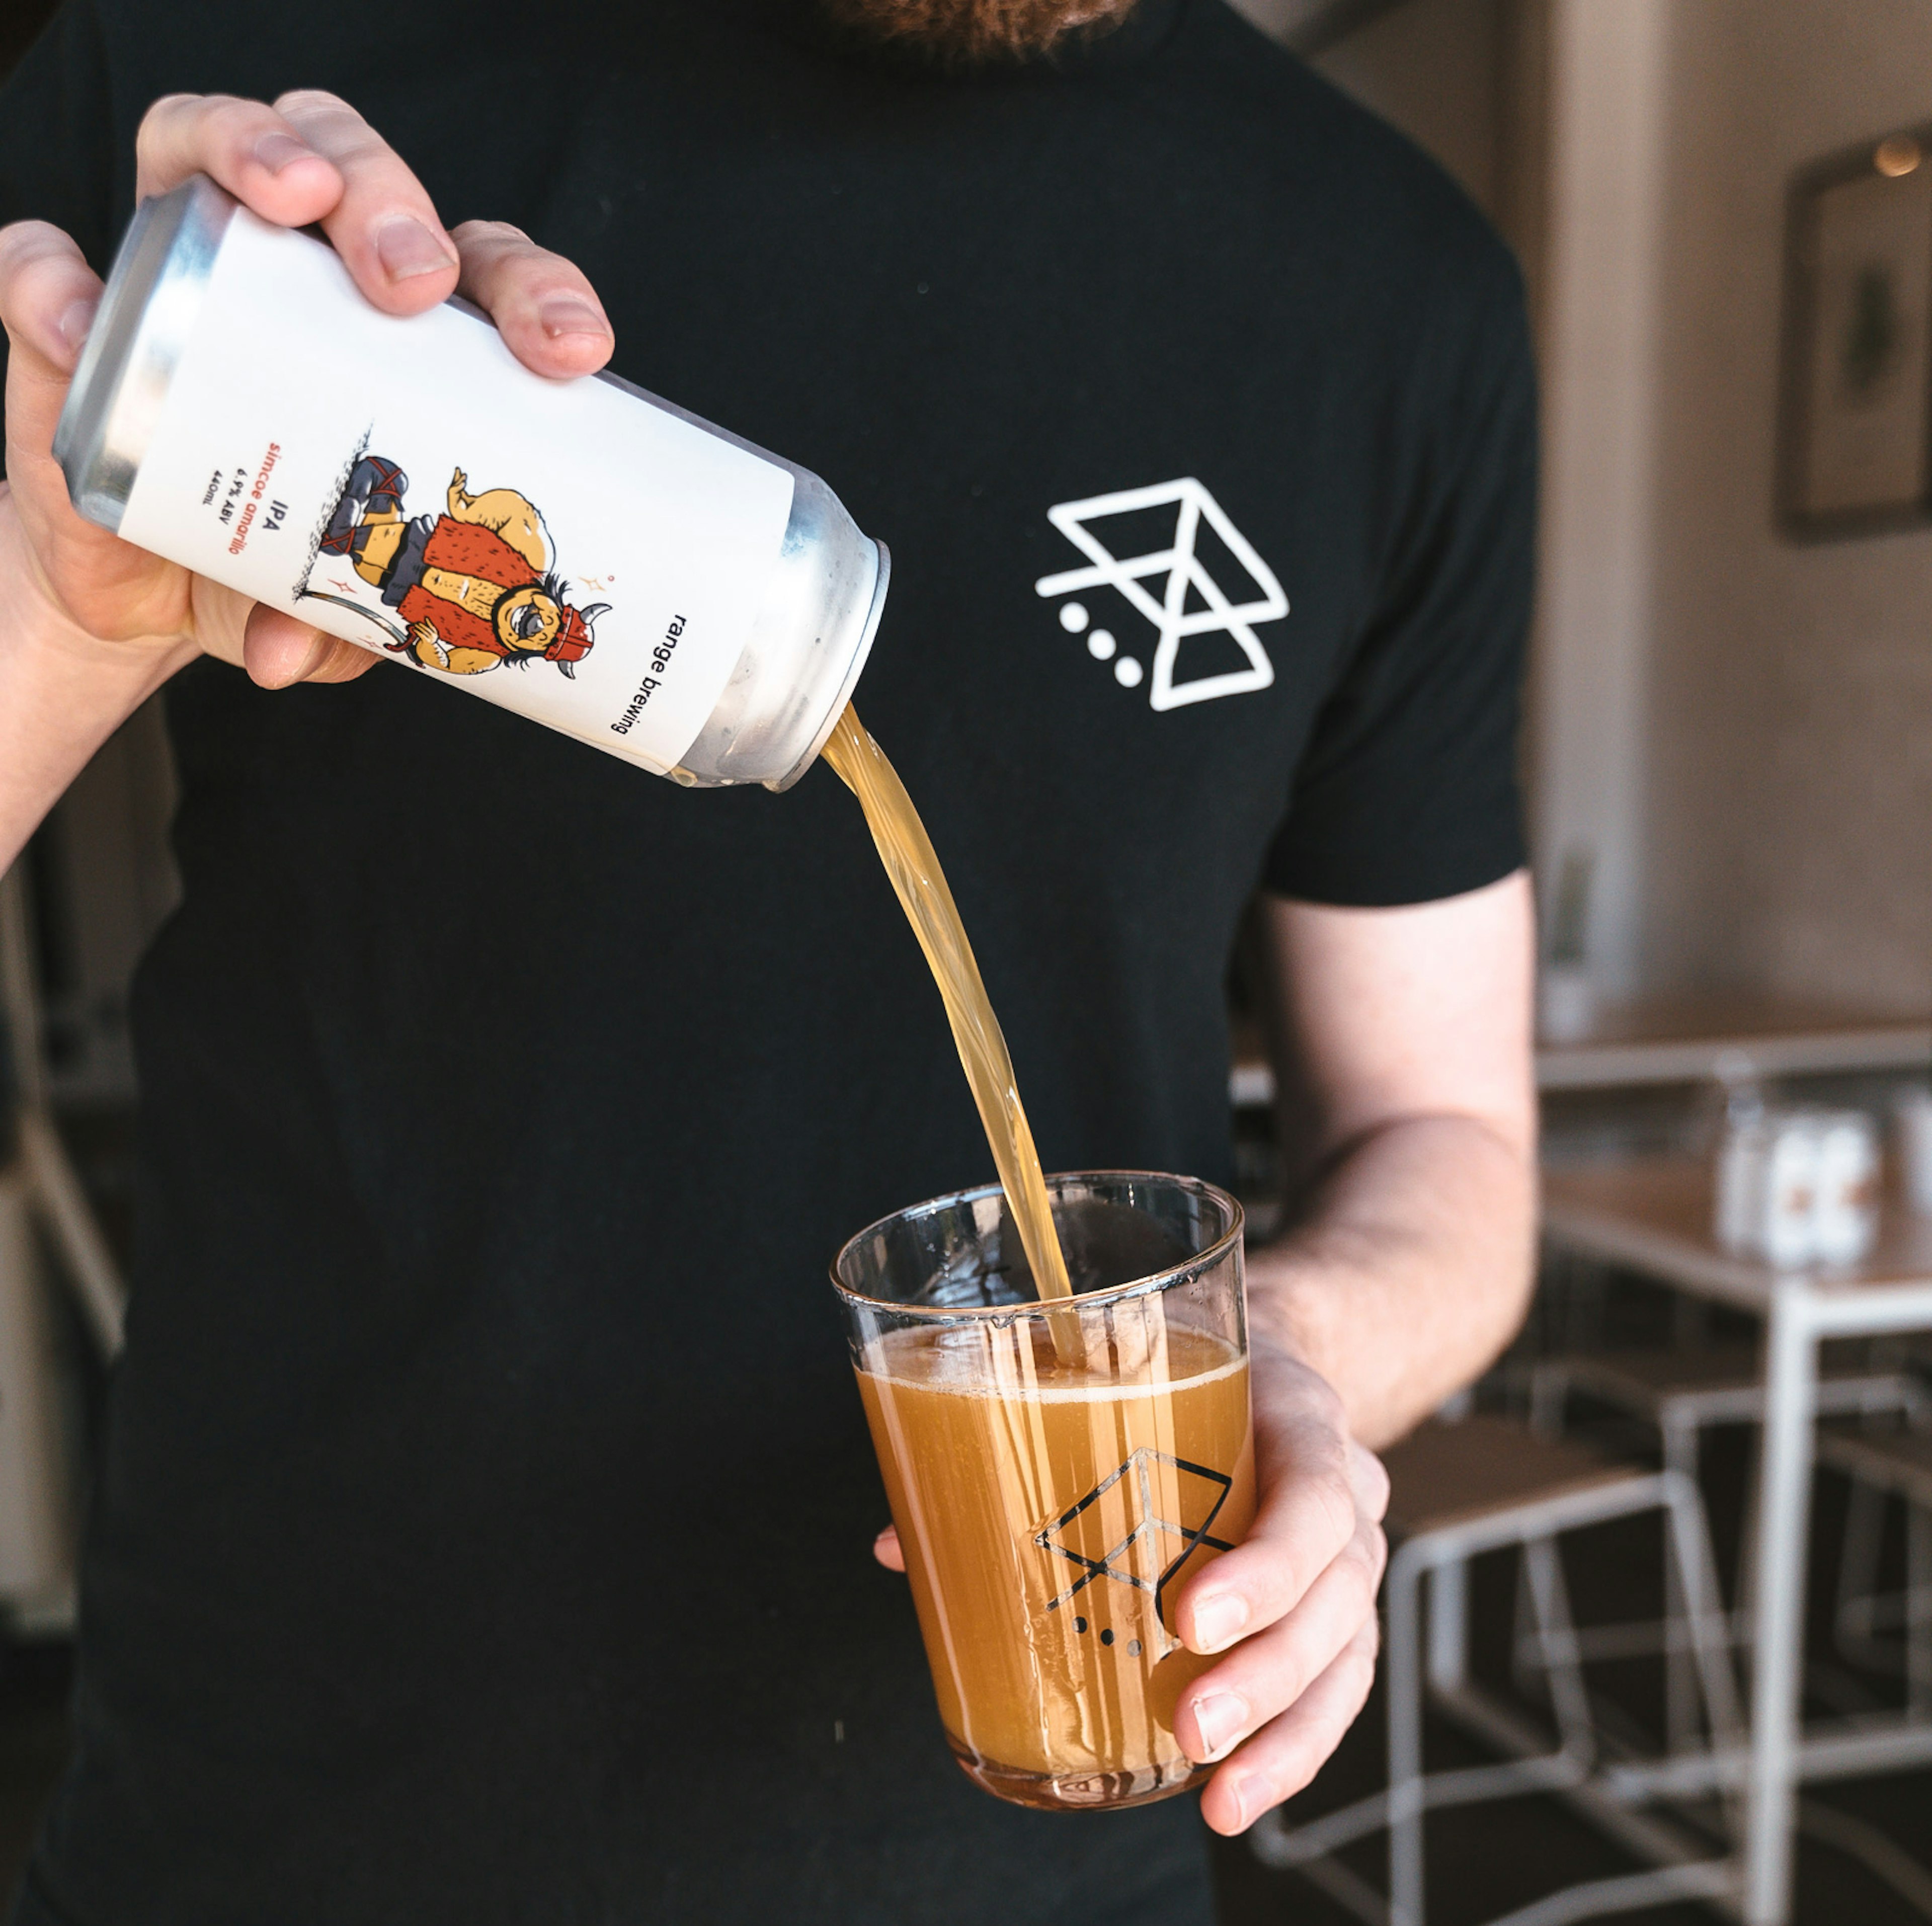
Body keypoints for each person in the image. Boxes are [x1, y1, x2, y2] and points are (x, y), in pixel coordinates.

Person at [0, 2, 1538, 1919]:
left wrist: (1258, 1362)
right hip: (274, 1829)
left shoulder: (1392, 284)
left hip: (1041, 1836)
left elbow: (1452, 1144)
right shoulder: (225, 93)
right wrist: (56, 608)